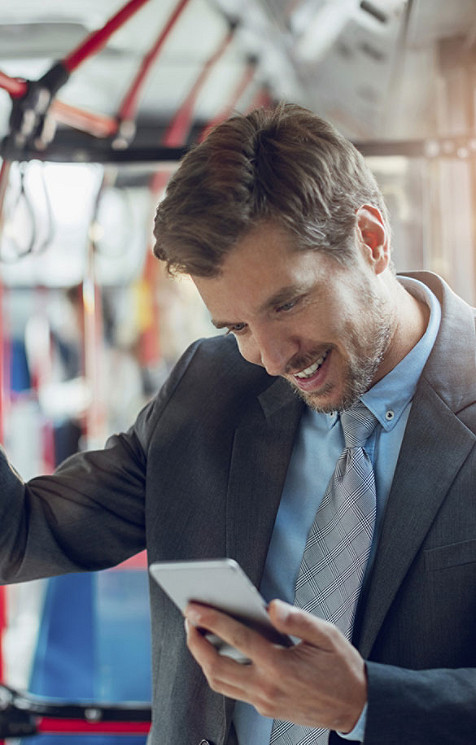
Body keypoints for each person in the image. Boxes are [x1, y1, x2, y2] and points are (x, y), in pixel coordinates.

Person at [0, 103, 474, 745]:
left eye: (288, 302)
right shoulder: (210, 388)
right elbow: (20, 535)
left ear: (370, 240)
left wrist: (364, 702)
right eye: (237, 327)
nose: (274, 359)